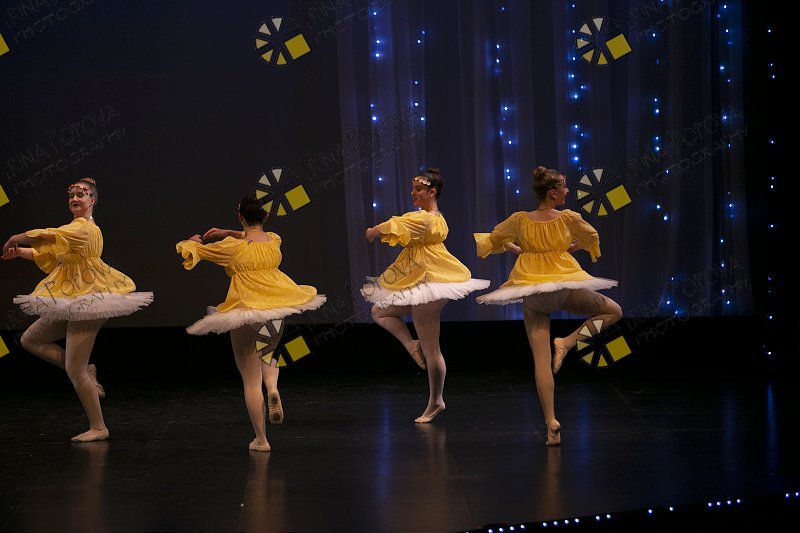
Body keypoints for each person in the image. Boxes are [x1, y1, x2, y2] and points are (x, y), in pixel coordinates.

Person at [474, 165, 622, 446]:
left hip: (533, 294)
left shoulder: (520, 220)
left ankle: (551, 424)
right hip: (561, 289)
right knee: (613, 311)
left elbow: (494, 239)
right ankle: (567, 342)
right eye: (564, 186)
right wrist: (575, 247)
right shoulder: (567, 218)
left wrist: (516, 248)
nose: (567, 190)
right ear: (552, 193)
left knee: (541, 362)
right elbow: (591, 236)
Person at [2, 178, 154, 442]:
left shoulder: (83, 227)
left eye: (80, 195)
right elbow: (53, 253)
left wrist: (17, 236)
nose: (74, 199)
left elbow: (49, 235)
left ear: (92, 200)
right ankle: (88, 371)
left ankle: (99, 427)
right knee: (30, 339)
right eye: (71, 195)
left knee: (75, 370)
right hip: (72, 295)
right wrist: (20, 252)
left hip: (90, 298)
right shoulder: (73, 229)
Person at [176, 192, 326, 452]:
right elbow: (254, 237)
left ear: (240, 217)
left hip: (245, 310)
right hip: (277, 306)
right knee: (269, 355)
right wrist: (230, 232)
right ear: (265, 216)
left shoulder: (233, 248)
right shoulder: (274, 241)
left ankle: (261, 440)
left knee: (250, 379)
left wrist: (191, 241)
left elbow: (196, 251)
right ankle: (273, 387)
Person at [363, 168, 490, 423]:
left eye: (418, 189)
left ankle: (436, 401)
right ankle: (411, 345)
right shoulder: (433, 218)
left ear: (432, 192)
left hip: (429, 284)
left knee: (432, 350)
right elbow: (403, 227)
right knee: (378, 311)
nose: (413, 193)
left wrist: (373, 231)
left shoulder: (427, 218)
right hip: (416, 280)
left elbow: (396, 224)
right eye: (413, 188)